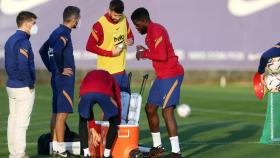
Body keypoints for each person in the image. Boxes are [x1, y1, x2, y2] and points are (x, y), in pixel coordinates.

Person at [131, 7, 185, 158]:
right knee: (150, 108)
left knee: (167, 111)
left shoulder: (157, 30)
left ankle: (176, 153)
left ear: (144, 21)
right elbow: (158, 51)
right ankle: (158, 147)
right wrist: (146, 50)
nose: (136, 28)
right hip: (162, 76)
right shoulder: (150, 34)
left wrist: (144, 53)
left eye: (137, 24)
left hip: (172, 74)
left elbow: (161, 55)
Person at [39, 6, 81, 157]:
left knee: (56, 113)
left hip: (56, 78)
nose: (79, 21)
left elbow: (42, 50)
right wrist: (60, 68)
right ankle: (61, 150)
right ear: (74, 19)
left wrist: (52, 68)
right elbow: (56, 51)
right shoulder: (64, 33)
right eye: (79, 18)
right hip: (64, 80)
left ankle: (55, 148)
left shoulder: (55, 32)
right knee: (62, 115)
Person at [86, 0, 134, 122]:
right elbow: (89, 46)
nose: (117, 18)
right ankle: (104, 135)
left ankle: (120, 136)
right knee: (109, 107)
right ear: (109, 10)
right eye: (115, 15)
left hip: (122, 71)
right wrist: (110, 53)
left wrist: (130, 41)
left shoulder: (124, 19)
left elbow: (130, 36)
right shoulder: (99, 25)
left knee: (125, 105)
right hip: (107, 72)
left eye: (119, 15)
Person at [4, 11, 37, 158]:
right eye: (33, 23)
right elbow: (23, 65)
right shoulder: (24, 41)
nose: (35, 26)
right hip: (22, 86)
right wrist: (29, 83)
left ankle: (14, 153)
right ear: (26, 24)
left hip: (11, 84)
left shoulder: (10, 39)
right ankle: (19, 154)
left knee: (13, 120)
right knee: (21, 123)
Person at [78, 70, 121, 158]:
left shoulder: (89, 74)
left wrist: (92, 126)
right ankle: (106, 154)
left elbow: (82, 94)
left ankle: (86, 154)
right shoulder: (111, 77)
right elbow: (117, 98)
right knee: (114, 121)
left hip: (86, 93)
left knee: (82, 118)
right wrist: (118, 119)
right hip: (103, 92)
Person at [257, 43, 280, 144]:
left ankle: (272, 137)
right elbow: (266, 56)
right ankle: (271, 137)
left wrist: (261, 71)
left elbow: (265, 56)